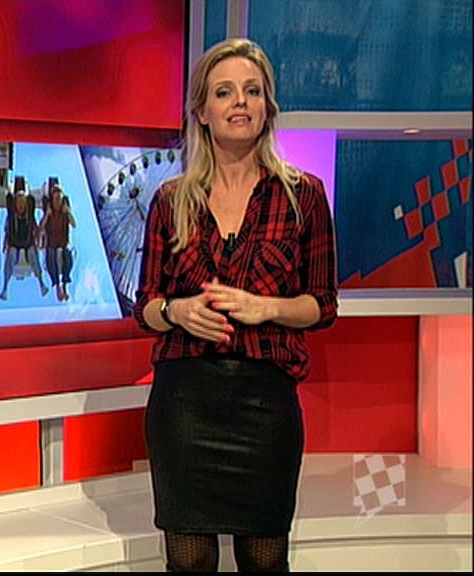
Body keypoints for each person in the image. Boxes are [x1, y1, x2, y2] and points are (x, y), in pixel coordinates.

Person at [132, 38, 337, 572]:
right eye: (224, 92)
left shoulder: (304, 196)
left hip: (264, 407)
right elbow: (145, 305)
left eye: (252, 91)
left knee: (264, 562)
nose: (240, 102)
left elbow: (322, 305)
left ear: (268, 107)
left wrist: (267, 308)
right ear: (202, 111)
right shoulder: (171, 199)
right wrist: (176, 312)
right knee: (190, 563)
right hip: (184, 405)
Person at [0, 177, 49, 300]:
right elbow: (9, 198)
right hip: (14, 244)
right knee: (11, 255)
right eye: (18, 203)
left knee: (32, 254)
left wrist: (39, 237)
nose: (21, 205)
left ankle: (41, 282)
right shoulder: (12, 216)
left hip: (28, 244)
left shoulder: (29, 215)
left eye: (23, 203)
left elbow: (36, 228)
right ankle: (5, 287)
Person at [39, 184, 76, 301]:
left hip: (63, 243)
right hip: (51, 244)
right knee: (51, 255)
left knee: (67, 255)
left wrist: (68, 212)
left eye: (59, 199)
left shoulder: (65, 211)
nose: (57, 202)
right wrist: (47, 215)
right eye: (55, 199)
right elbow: (41, 227)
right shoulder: (49, 211)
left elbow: (74, 224)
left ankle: (65, 284)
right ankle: (57, 286)